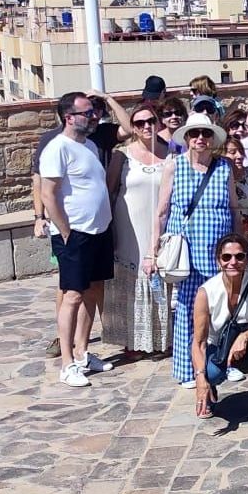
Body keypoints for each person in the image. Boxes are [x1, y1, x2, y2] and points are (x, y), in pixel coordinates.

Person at [39, 92, 116, 387]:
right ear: (69, 117)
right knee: (72, 295)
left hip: (98, 230)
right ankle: (67, 362)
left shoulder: (91, 146)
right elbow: (48, 193)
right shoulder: (57, 148)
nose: (94, 116)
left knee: (93, 290)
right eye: (87, 113)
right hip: (75, 233)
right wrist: (66, 231)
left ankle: (83, 352)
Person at [156, 111, 236, 388]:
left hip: (220, 252)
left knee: (223, 310)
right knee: (190, 310)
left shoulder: (224, 167)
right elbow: (162, 210)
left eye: (205, 133)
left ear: (212, 138)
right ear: (187, 138)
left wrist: (238, 242)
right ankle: (187, 369)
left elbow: (234, 207)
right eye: (194, 134)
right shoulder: (174, 166)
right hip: (188, 252)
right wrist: (151, 250)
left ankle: (221, 362)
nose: (200, 138)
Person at [103, 101, 171, 361]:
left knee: (161, 277)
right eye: (139, 123)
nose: (146, 127)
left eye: (150, 121)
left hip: (160, 225)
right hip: (128, 224)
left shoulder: (171, 154)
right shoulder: (122, 156)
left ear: (158, 123)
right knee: (130, 280)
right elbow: (109, 191)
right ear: (132, 127)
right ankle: (132, 340)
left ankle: (163, 338)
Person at [191, 231, 248, 421]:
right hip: (220, 350)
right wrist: (200, 378)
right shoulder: (206, 292)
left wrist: (245, 336)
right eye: (226, 257)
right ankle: (210, 390)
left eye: (240, 256)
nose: (233, 262)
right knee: (212, 374)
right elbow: (198, 343)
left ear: (247, 259)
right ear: (218, 261)